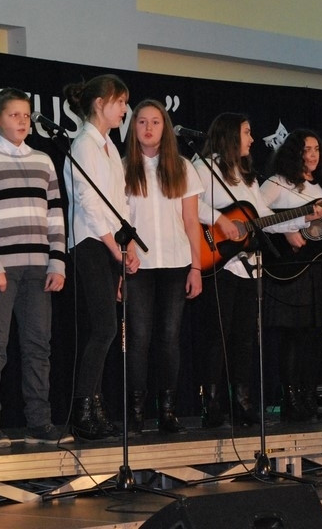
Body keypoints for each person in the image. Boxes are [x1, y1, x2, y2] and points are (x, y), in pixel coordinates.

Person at [193, 113, 322, 428]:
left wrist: (304, 218)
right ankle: (211, 404)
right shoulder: (204, 168)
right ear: (230, 134)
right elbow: (190, 204)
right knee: (217, 336)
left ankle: (241, 402)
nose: (252, 139)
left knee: (244, 338)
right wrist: (221, 220)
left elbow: (264, 217)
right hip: (219, 261)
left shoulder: (247, 176)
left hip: (249, 268)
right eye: (247, 132)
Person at [0, 88, 73, 447]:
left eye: (26, 115)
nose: (22, 121)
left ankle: (39, 422)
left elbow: (55, 215)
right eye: (14, 115)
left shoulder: (44, 160)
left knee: (39, 347)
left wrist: (57, 261)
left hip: (38, 269)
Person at [122, 99, 203, 434]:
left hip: (175, 263)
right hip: (138, 267)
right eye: (142, 121)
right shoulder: (122, 168)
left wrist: (196, 267)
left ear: (165, 128)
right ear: (133, 127)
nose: (149, 128)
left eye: (155, 122)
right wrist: (123, 259)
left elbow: (192, 221)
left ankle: (167, 411)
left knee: (169, 338)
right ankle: (136, 412)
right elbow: (117, 221)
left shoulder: (182, 167)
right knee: (139, 338)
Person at [63, 74, 137, 440]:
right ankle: (82, 409)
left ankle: (95, 405)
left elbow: (119, 203)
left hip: (110, 244)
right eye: (119, 102)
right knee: (103, 327)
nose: (124, 109)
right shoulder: (84, 145)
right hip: (91, 243)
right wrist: (113, 248)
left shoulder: (108, 146)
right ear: (99, 104)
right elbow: (89, 205)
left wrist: (128, 247)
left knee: (108, 329)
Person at [260, 129, 322, 422]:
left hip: (321, 266)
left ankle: (309, 396)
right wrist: (290, 229)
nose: (312, 155)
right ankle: (290, 400)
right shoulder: (278, 183)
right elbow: (257, 217)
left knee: (315, 337)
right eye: (306, 150)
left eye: (316, 149)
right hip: (292, 267)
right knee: (293, 336)